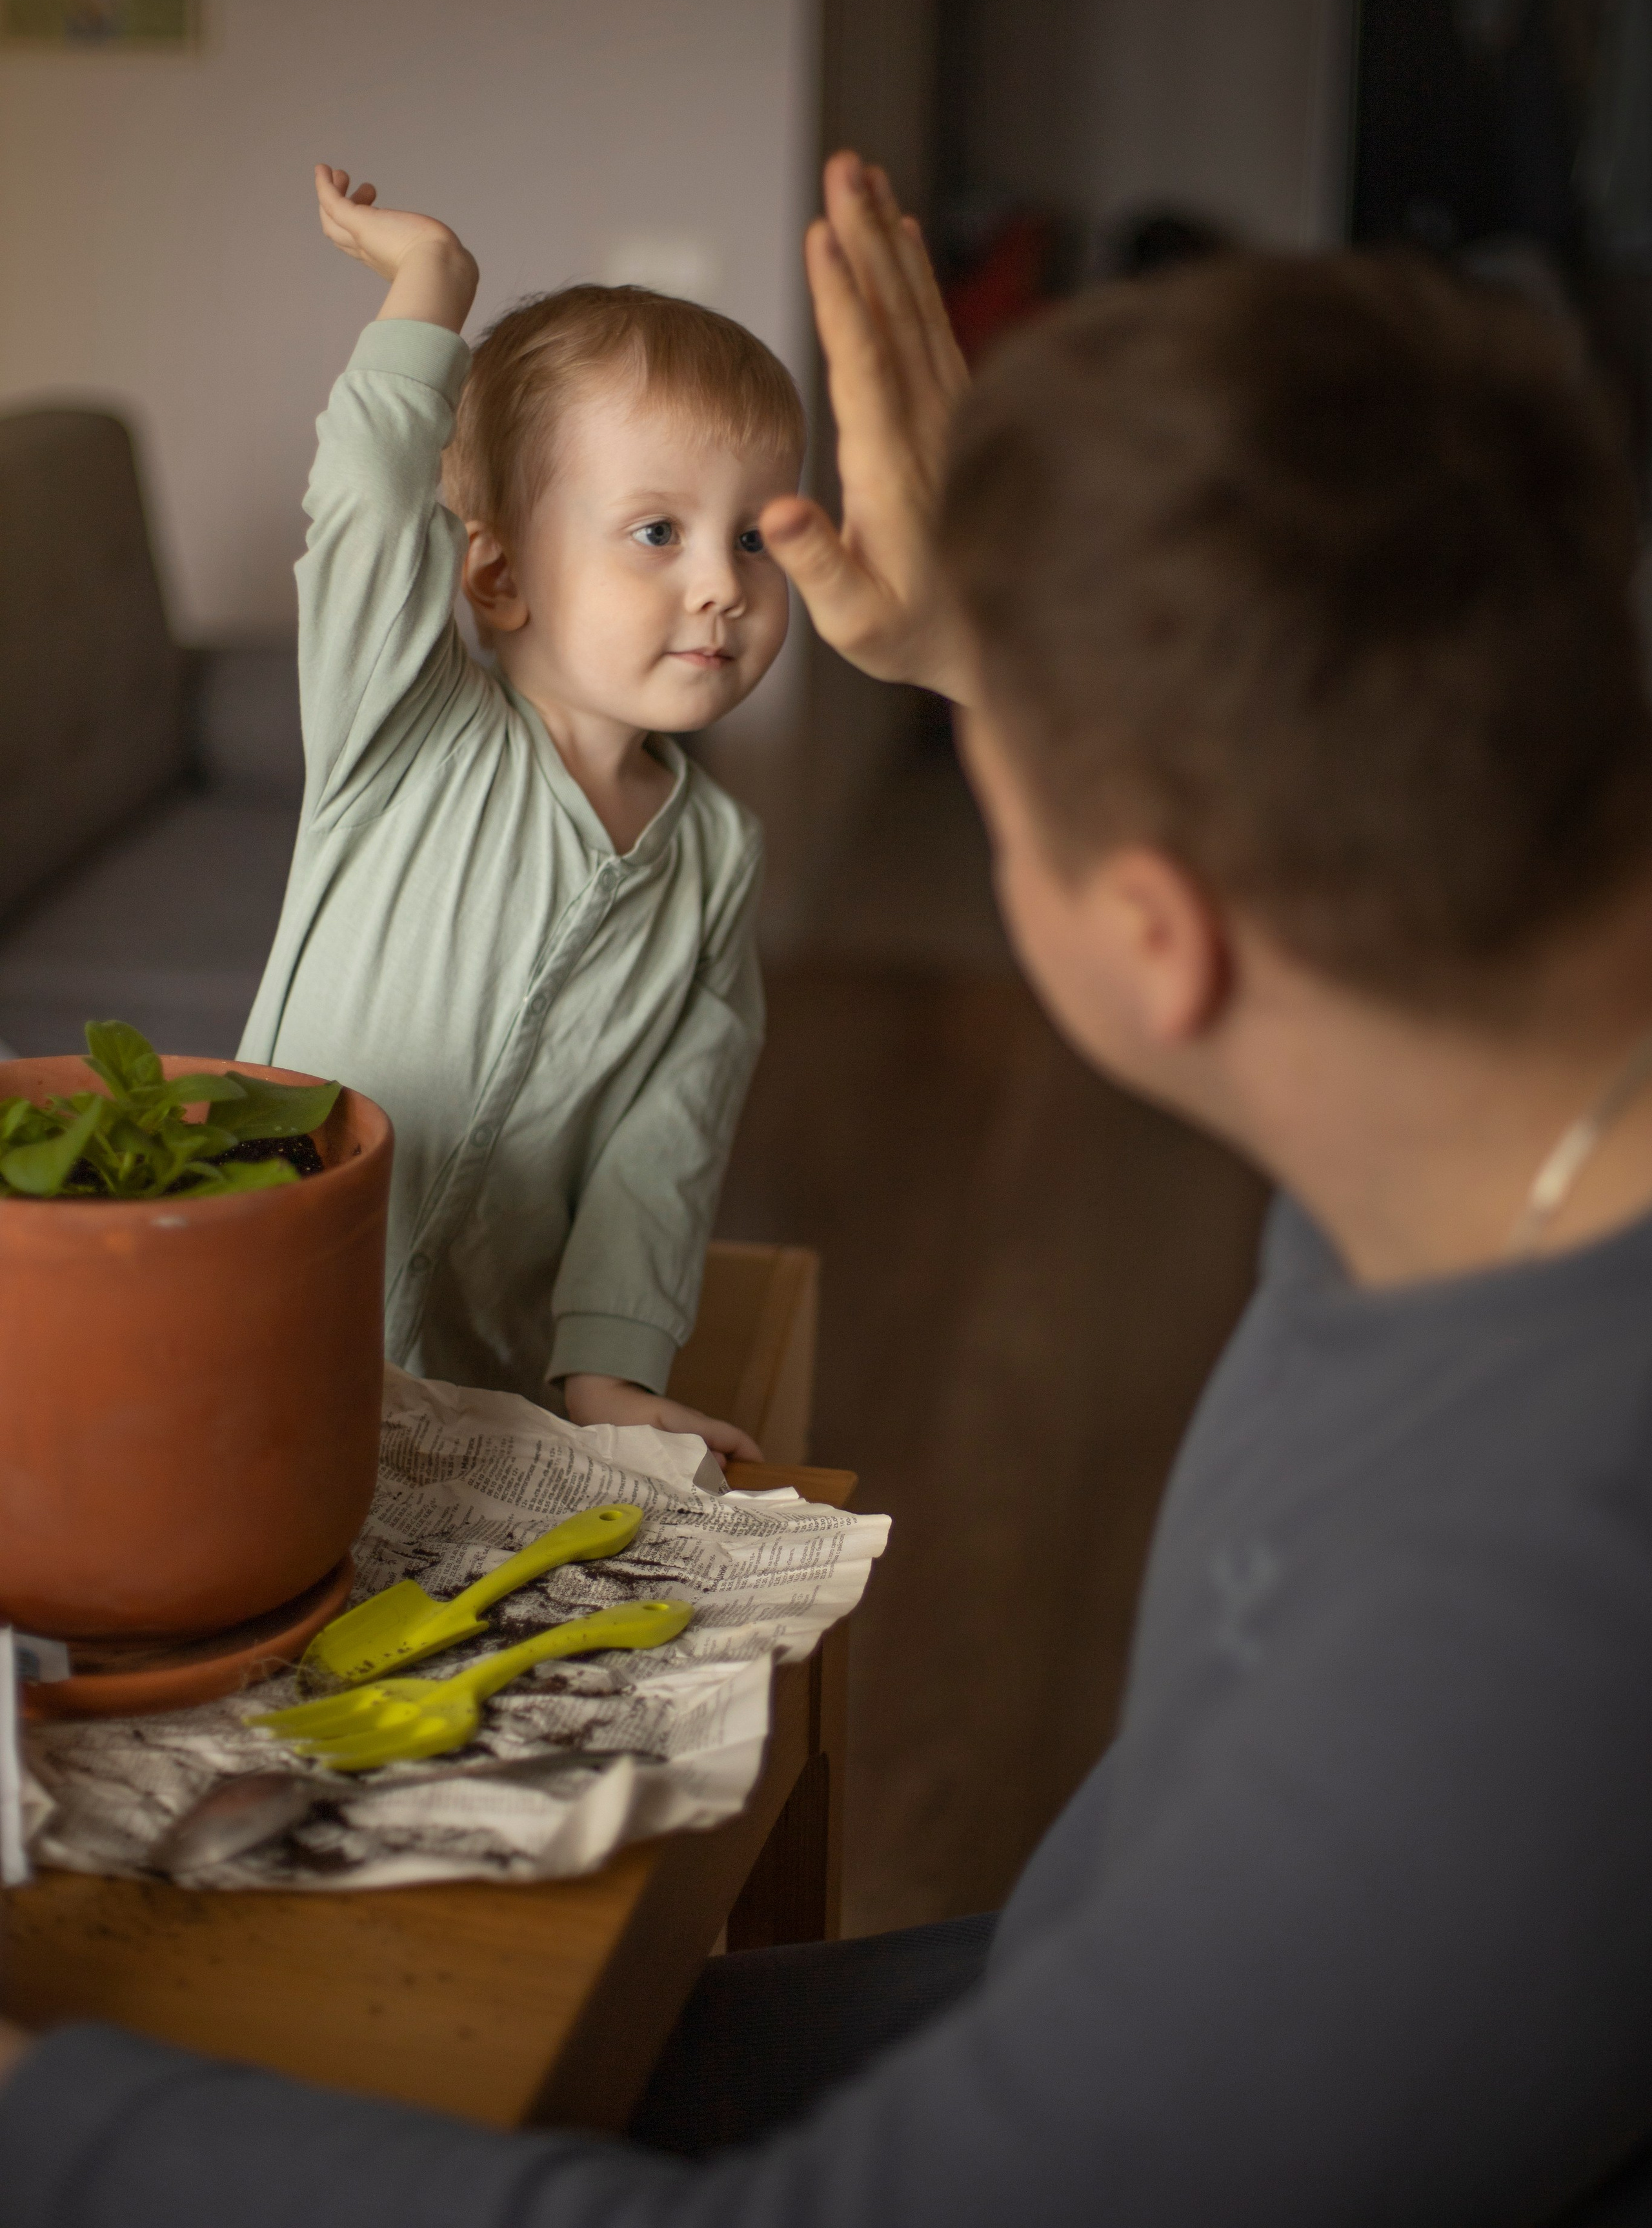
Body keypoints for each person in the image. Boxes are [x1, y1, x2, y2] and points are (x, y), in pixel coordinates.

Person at [7, 151, 1652, 2225]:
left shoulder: (1518, 1657)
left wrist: (45, 2114)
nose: (736, 596)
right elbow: (1083, 1988)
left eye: (995, 773)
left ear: (1157, 944)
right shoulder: (1464, 1205)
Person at [237, 167, 809, 1461]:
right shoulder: (401, 724)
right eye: (657, 529)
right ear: (495, 573)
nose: (723, 585)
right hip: (251, 1327)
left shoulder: (714, 862)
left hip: (478, 1395)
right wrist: (429, 284)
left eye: (755, 539)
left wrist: (609, 1370)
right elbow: (370, 512)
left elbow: (663, 1137)